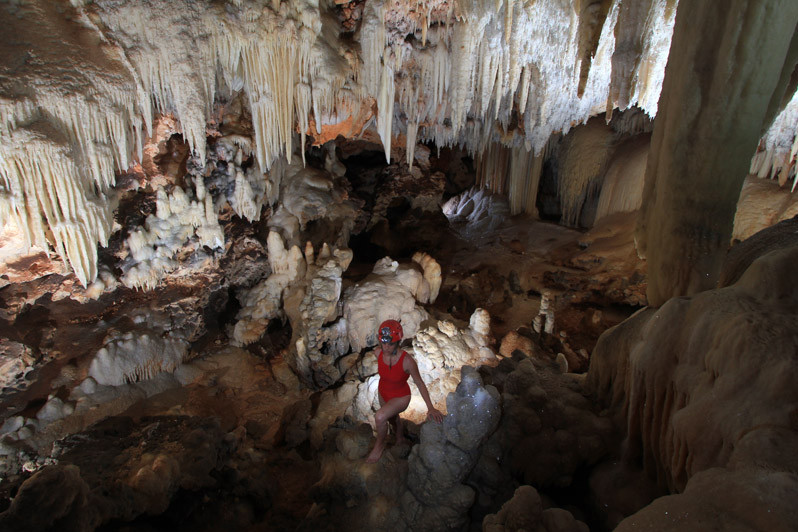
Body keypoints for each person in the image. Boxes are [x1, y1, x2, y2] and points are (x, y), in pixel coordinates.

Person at [365, 319, 444, 463]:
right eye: (383, 343)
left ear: (398, 342)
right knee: (392, 418)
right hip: (383, 392)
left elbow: (419, 383)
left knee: (380, 417)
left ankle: (379, 445)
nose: (386, 347)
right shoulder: (378, 353)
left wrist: (431, 408)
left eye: (390, 344)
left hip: (401, 396)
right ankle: (400, 437)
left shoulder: (407, 361)